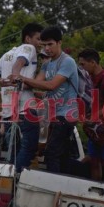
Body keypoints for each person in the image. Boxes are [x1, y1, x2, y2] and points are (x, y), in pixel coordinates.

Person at [0, 22, 44, 172]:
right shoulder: (28, 48)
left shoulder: (7, 54)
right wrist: (16, 74)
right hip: (24, 108)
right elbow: (20, 62)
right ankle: (14, 175)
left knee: (14, 149)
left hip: (8, 112)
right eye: (38, 38)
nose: (40, 43)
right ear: (28, 38)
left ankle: (7, 175)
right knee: (30, 147)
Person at [13, 25, 79, 174]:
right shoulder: (47, 64)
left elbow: (50, 85)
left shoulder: (67, 62)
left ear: (59, 43)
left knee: (51, 153)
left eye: (50, 44)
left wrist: (21, 77)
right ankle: (63, 186)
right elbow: (36, 82)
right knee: (61, 155)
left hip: (67, 114)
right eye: (44, 45)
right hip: (54, 116)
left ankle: (52, 186)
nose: (47, 48)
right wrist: (13, 80)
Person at [77, 48, 104, 181]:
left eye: (83, 64)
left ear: (93, 62)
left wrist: (99, 115)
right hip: (92, 128)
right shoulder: (87, 79)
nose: (81, 67)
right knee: (94, 161)